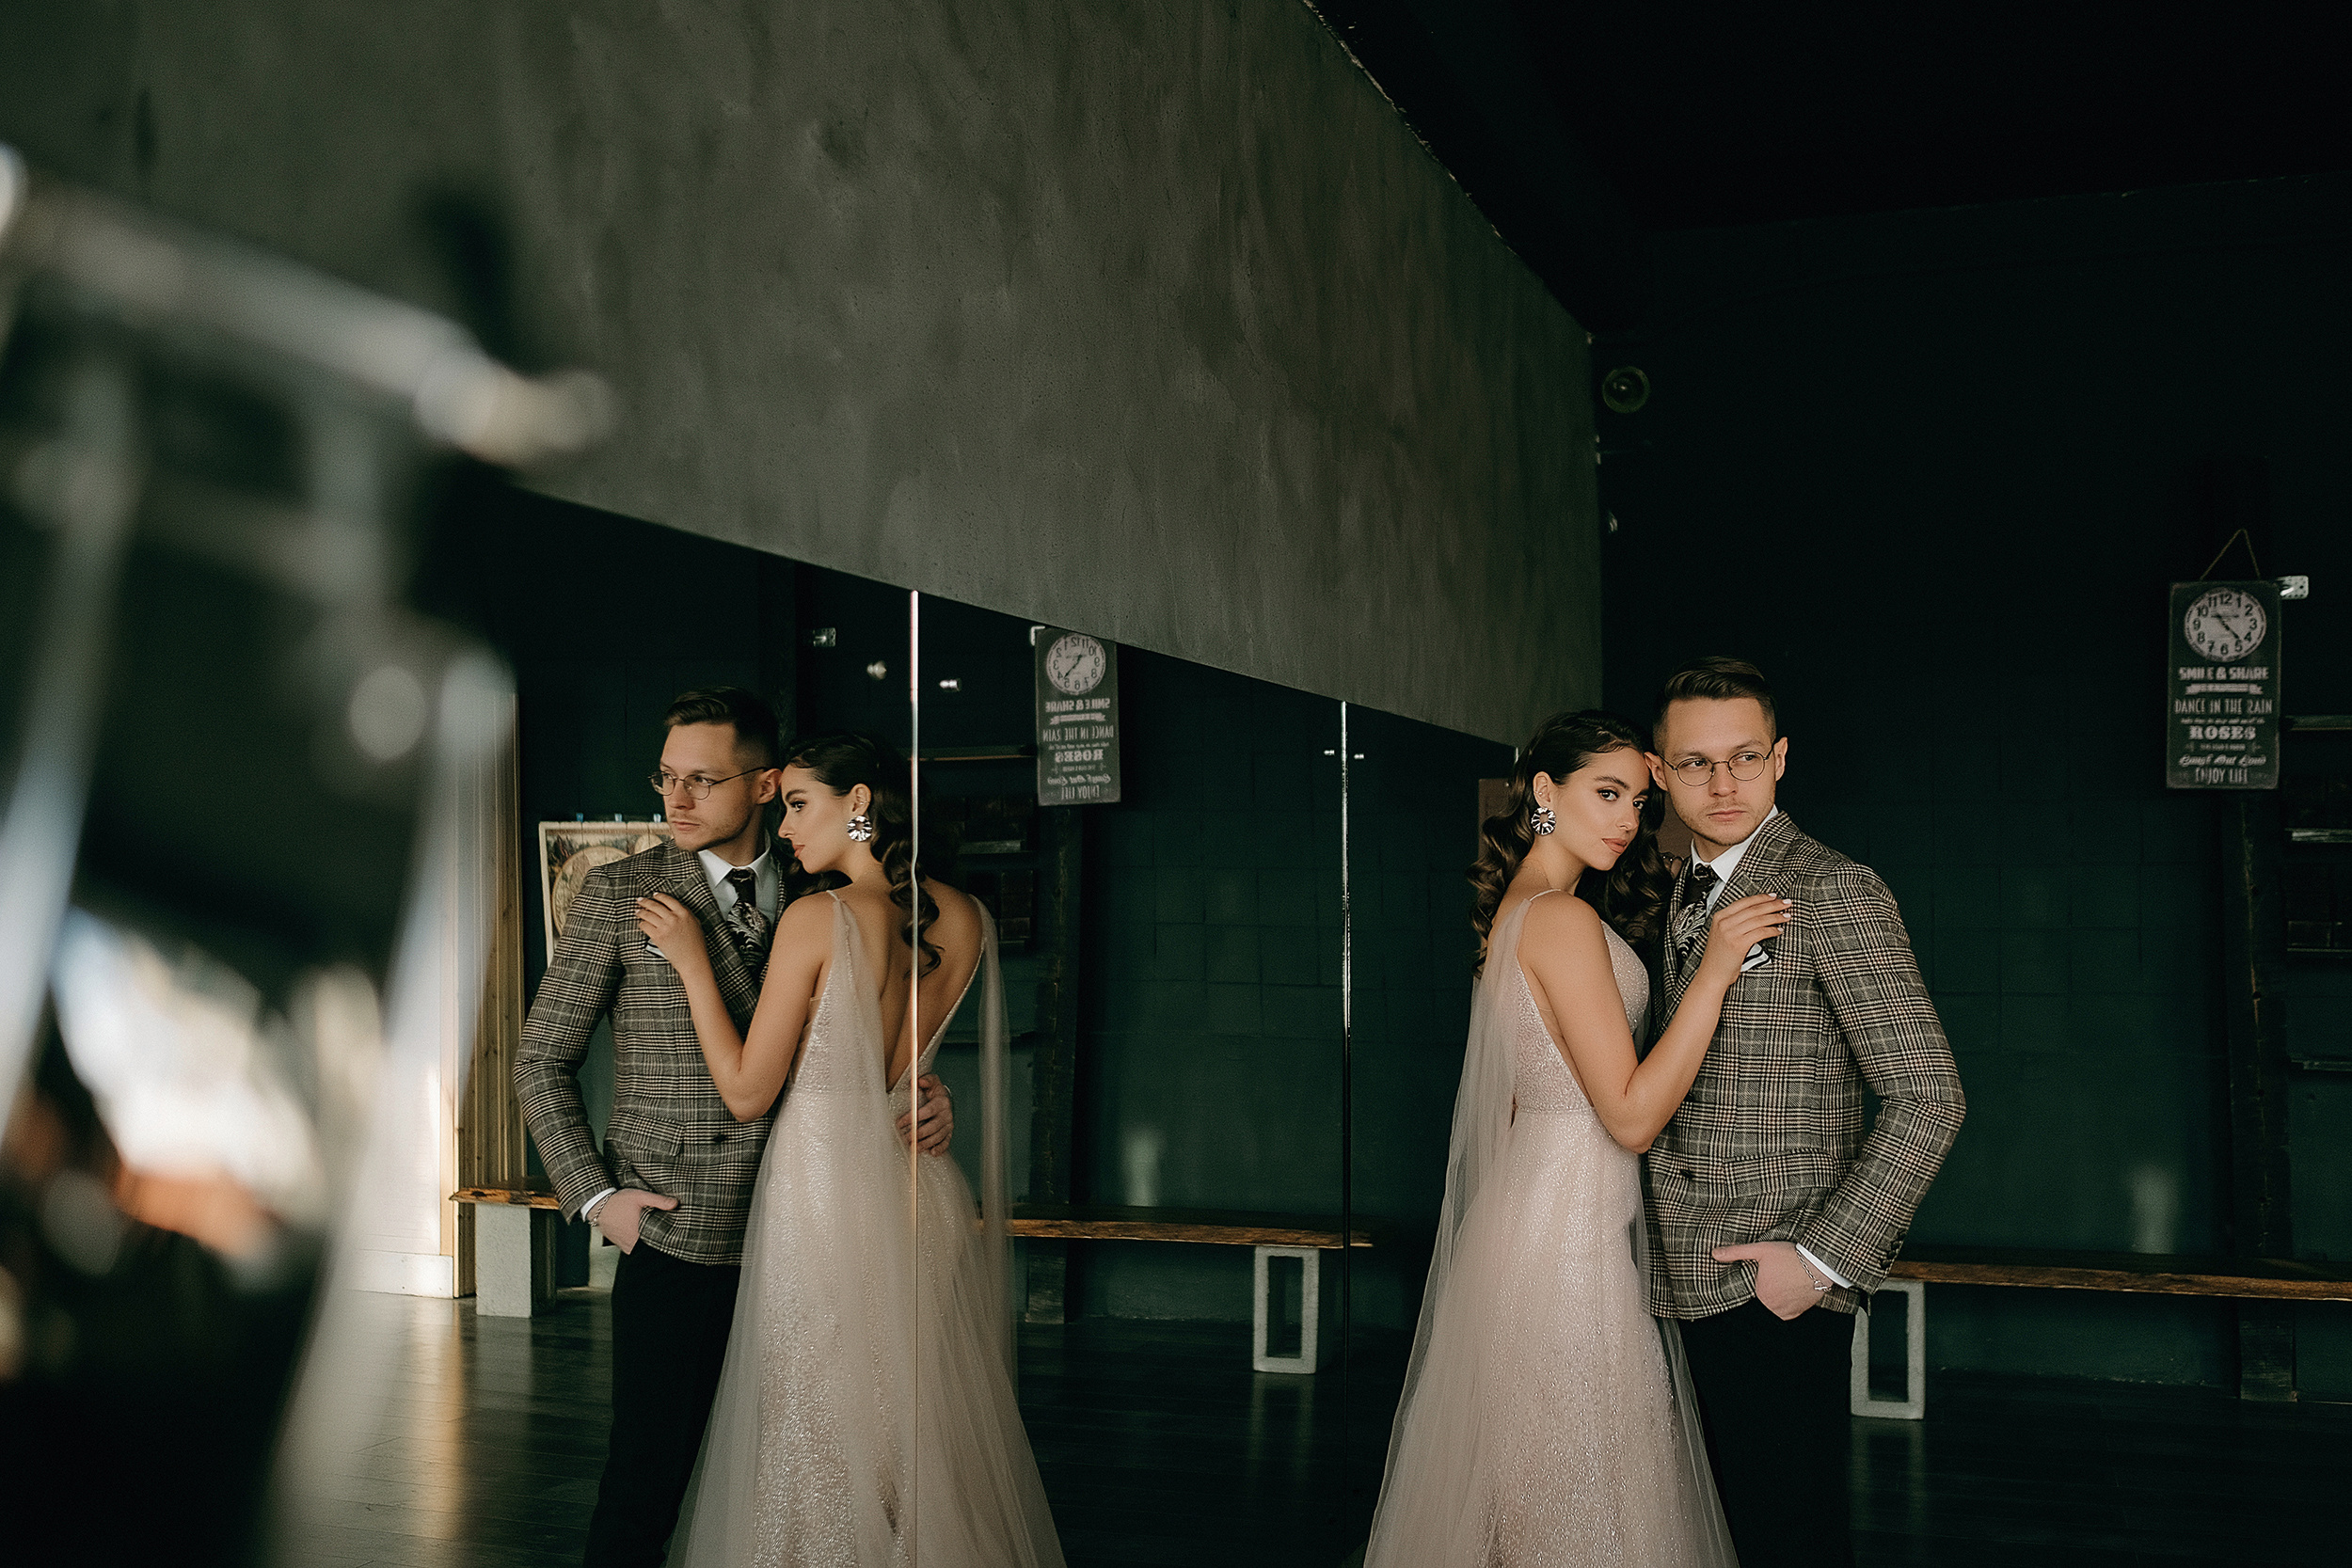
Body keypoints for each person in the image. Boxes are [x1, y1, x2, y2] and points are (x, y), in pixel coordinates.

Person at [515, 689, 955, 1568]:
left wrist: (927, 1097)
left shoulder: (825, 881)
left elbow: (863, 1044)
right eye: (666, 778)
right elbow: (538, 1060)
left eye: (701, 780)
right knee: (644, 1486)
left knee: (804, 1485)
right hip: (678, 1234)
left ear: (764, 785)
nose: (674, 800)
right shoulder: (619, 893)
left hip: (817, 1239)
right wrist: (598, 1198)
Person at [1364, 709, 1792, 1568]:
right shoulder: (1556, 918)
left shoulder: (1523, 912)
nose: (1628, 819)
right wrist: (1714, 969)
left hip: (1545, 1229)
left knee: (1547, 1501)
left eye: (1638, 798)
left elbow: (1529, 1102)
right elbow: (1630, 1117)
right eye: (1605, 793)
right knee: (1573, 1503)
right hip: (1561, 1252)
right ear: (1544, 792)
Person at [638, 731, 1064, 1568]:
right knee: (914, 1419)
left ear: (859, 801)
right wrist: (930, 1096)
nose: (786, 825)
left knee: (818, 1415)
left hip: (827, 1187)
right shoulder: (968, 917)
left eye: (798, 803)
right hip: (922, 1183)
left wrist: (692, 962)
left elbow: (749, 1091)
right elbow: (909, 1064)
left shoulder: (820, 916)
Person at [1643, 657, 1965, 1568]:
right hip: (1662, 1266)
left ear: (1780, 757)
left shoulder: (1833, 888)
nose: (1722, 783)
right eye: (1696, 762)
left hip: (1769, 1274)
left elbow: (1928, 1094)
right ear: (1661, 772)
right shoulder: (1664, 887)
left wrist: (1820, 1260)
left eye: (1744, 756)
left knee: (1782, 1531)